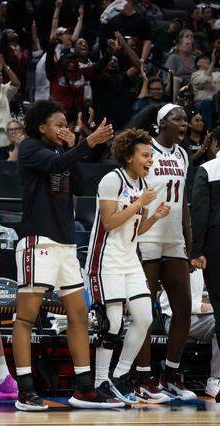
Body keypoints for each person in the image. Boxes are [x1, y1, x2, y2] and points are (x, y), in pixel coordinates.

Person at [13, 100, 120, 411]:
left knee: (78, 317)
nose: (63, 129)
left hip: (66, 246)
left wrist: (79, 147)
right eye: (58, 124)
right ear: (42, 126)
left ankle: (84, 388)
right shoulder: (30, 148)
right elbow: (54, 166)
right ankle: (25, 389)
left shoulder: (62, 153)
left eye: (66, 124)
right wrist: (86, 143)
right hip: (39, 242)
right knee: (25, 318)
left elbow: (82, 184)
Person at [88, 129, 170, 404]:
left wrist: (154, 216)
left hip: (130, 258)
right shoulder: (112, 180)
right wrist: (140, 204)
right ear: (129, 156)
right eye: (145, 155)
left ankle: (120, 375)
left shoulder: (143, 187)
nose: (150, 161)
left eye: (151, 156)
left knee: (145, 317)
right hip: (106, 257)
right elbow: (109, 223)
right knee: (111, 323)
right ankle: (100, 381)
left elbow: (136, 229)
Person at [131, 103, 196, 403]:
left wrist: (189, 240)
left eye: (185, 119)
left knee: (183, 307)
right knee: (144, 312)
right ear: (162, 123)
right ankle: (143, 376)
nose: (184, 124)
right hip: (147, 235)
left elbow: (182, 201)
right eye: (178, 119)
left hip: (174, 239)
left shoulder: (183, 155)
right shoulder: (146, 151)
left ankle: (171, 373)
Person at [191, 134, 220, 402]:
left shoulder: (207, 170)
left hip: (215, 244)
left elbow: (199, 211)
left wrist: (196, 250)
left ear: (214, 145)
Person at [160, 270, 220, 399]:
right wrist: (214, 306)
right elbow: (181, 306)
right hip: (175, 320)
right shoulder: (180, 265)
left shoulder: (206, 266)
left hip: (199, 317)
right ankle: (215, 380)